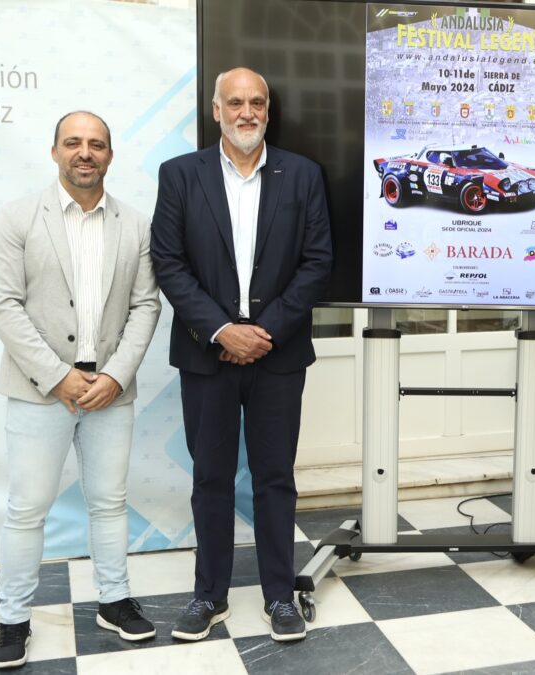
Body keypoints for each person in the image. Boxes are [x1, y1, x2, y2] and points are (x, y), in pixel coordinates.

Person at [150, 67, 333, 643]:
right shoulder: (181, 174)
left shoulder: (302, 175)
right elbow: (168, 262)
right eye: (236, 102)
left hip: (277, 357)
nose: (247, 112)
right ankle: (210, 595)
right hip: (208, 357)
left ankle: (280, 595)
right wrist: (223, 330)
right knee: (211, 478)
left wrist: (262, 332)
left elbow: (317, 262)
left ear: (268, 111)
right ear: (216, 110)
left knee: (275, 478)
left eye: (257, 102)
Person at [0, 111, 162, 668]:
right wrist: (59, 376)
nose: (85, 153)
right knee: (27, 509)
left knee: (109, 505)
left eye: (97, 144)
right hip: (41, 388)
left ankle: (113, 600)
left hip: (111, 390)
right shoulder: (16, 217)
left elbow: (145, 304)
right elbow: (3, 306)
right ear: (55, 150)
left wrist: (114, 376)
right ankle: (13, 618)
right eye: (74, 143)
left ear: (110, 155)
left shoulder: (135, 224)